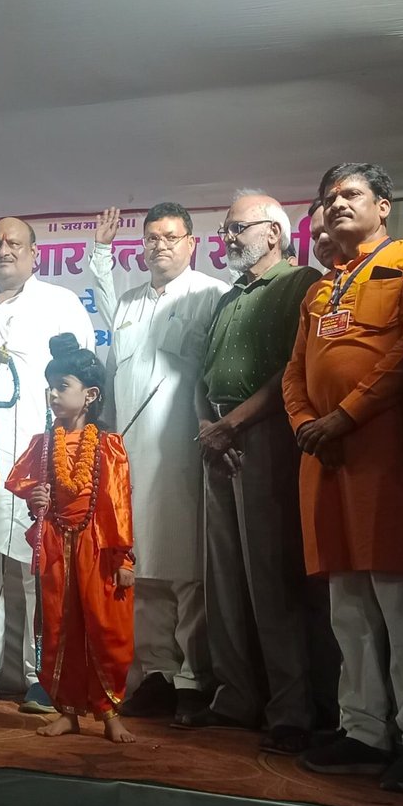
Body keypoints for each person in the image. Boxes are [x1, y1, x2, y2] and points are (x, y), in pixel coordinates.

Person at [281, 163, 403, 794]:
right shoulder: (320, 288)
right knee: (347, 605)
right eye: (329, 197)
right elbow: (294, 370)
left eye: (351, 194)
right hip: (324, 461)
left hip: (387, 458)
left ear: (384, 206)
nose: (336, 204)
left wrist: (344, 416)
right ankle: (363, 730)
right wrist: (305, 421)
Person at [87, 204, 228, 723]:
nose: (159, 246)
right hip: (130, 455)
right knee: (141, 569)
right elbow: (111, 363)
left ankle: (193, 679)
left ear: (192, 243)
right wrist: (101, 251)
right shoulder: (128, 303)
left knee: (187, 570)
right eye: (151, 238)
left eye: (170, 237)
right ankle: (158, 673)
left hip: (183, 450)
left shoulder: (212, 294)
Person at [193, 191, 322, 753]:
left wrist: (233, 424)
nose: (228, 238)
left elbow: (292, 370)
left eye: (237, 228)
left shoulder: (301, 283)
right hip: (217, 441)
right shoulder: (228, 297)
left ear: (274, 233)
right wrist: (208, 425)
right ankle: (235, 697)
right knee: (223, 579)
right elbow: (204, 374)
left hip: (266, 436)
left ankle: (292, 708)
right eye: (225, 229)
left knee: (272, 576)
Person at [0, 216, 94, 711]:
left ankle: (44, 674)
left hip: (42, 455)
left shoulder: (61, 302)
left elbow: (82, 380)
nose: (3, 249)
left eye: (14, 242)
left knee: (39, 565)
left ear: (35, 253)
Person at [5, 334, 136, 742]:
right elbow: (21, 483)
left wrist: (124, 558)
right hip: (57, 544)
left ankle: (109, 713)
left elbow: (118, 504)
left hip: (98, 547)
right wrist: (36, 497)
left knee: (104, 627)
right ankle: (67, 710)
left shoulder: (109, 445)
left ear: (90, 395)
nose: (53, 395)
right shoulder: (44, 444)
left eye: (63, 386)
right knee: (58, 626)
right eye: (50, 387)